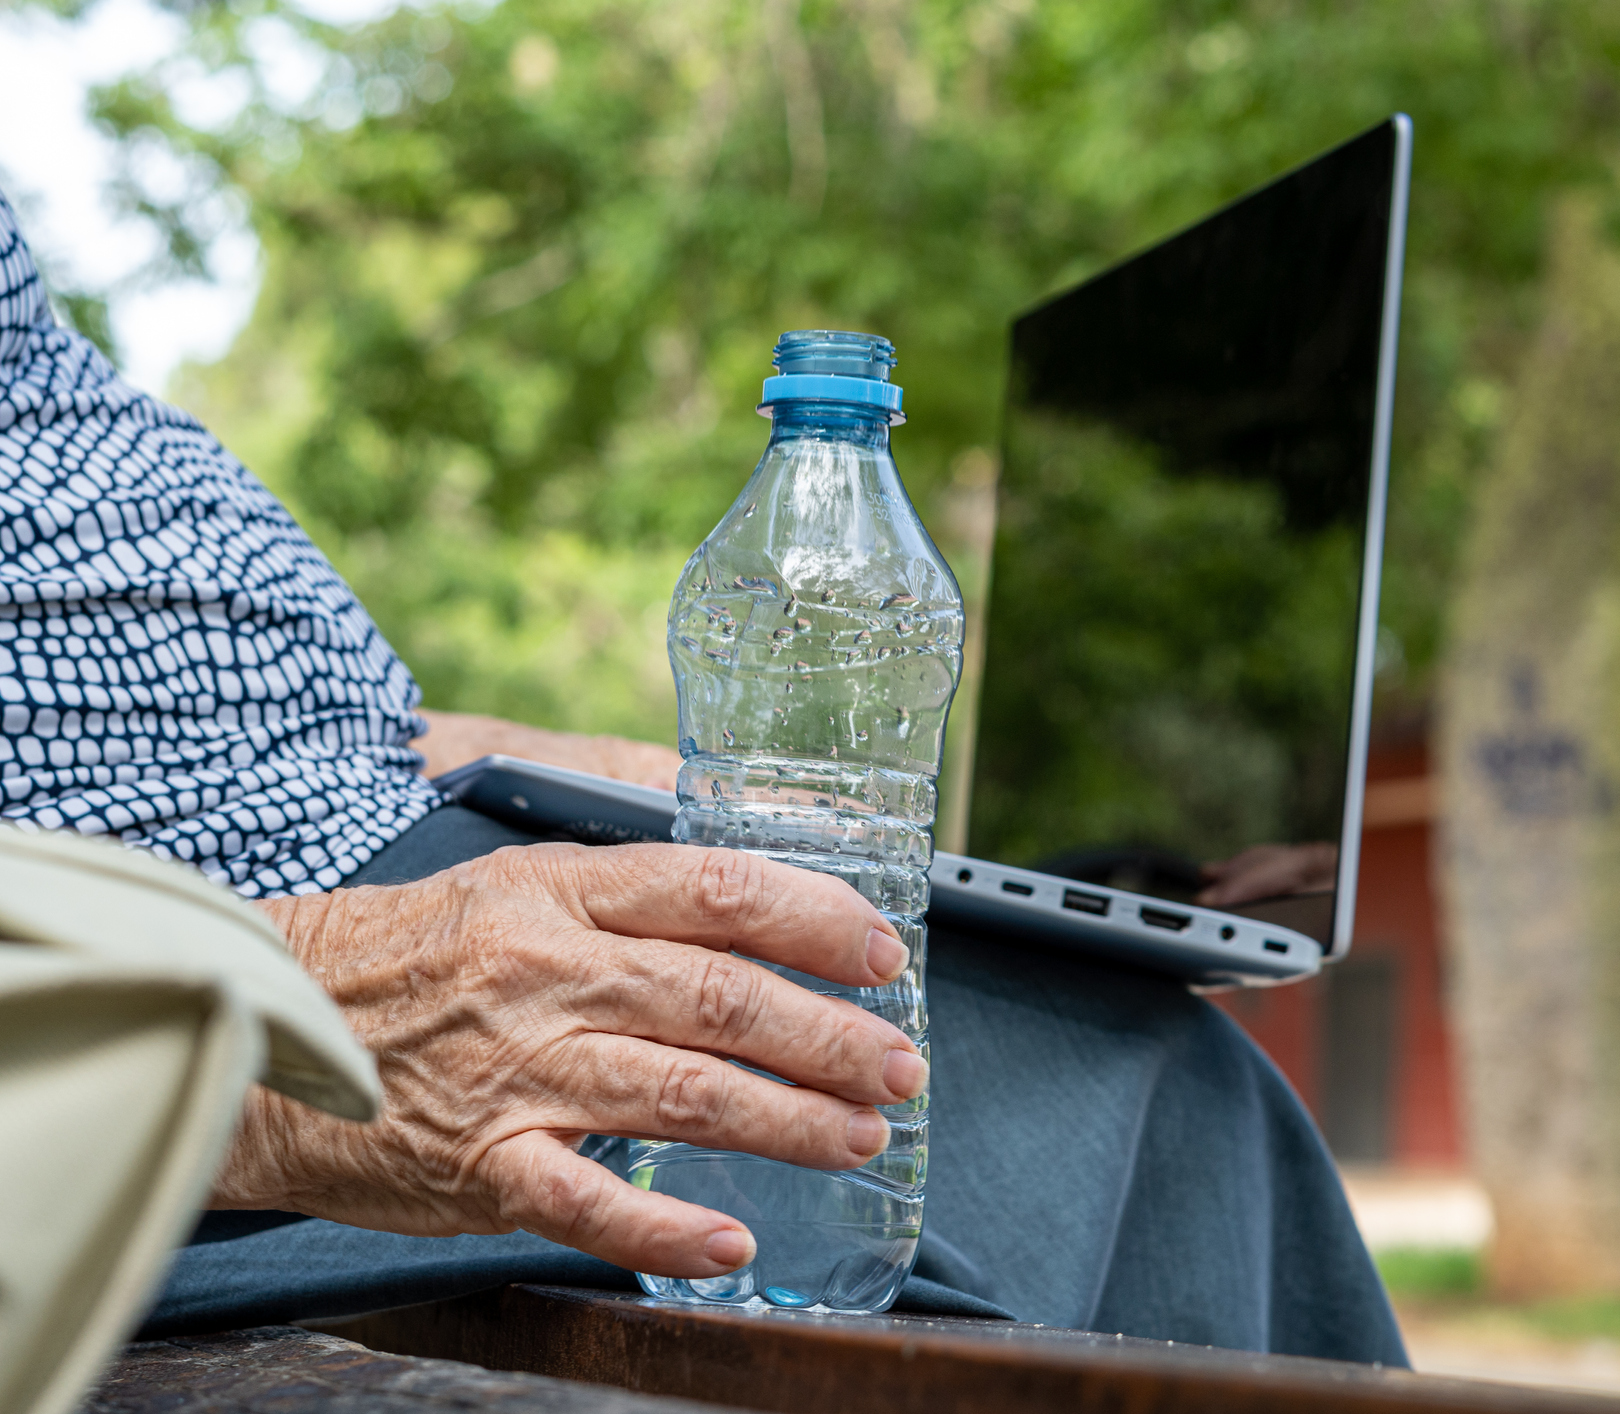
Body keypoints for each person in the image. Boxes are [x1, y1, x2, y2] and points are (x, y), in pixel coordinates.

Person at [0, 191, 1406, 1363]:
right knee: (1127, 1081)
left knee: (1113, 1033)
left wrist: (577, 772)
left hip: (358, 834)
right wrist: (236, 1028)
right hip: (209, 991)